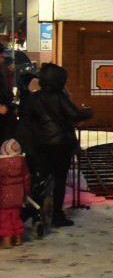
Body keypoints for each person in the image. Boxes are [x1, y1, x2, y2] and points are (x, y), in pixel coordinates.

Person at [17, 63, 93, 227]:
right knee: (59, 181)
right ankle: (57, 216)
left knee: (42, 180)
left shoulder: (33, 98)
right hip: (60, 145)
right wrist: (88, 112)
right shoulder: (59, 96)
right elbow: (74, 115)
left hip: (40, 145)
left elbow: (27, 121)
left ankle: (38, 211)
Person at [0, 139, 30, 248]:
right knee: (16, 217)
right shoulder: (22, 163)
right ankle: (18, 239)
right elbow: (27, 180)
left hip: (3, 197)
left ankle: (7, 241)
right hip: (18, 196)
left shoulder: (1, 164)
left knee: (4, 219)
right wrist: (26, 193)